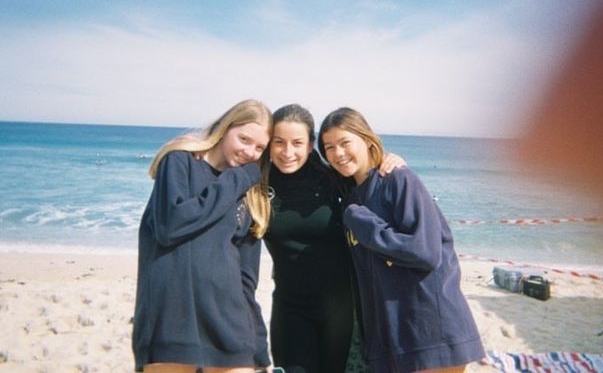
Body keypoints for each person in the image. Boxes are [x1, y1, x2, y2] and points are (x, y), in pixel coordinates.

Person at [318, 107, 485, 373]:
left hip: (429, 327)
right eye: (329, 147)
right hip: (390, 333)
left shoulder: (397, 179)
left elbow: (425, 252)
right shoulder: (351, 198)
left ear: (367, 139)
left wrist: (361, 221)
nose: (338, 153)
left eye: (345, 142)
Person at [132, 99, 274, 373]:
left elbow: (246, 280)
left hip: (230, 326)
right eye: (243, 139)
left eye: (259, 148)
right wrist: (237, 180)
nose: (250, 153)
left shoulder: (251, 195)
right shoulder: (180, 161)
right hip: (171, 321)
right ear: (225, 127)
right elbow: (171, 225)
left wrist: (258, 346)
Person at [264, 103, 403, 373]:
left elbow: (370, 181)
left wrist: (391, 160)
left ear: (310, 145)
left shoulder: (332, 179)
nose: (287, 152)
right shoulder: (258, 182)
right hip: (289, 307)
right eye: (279, 142)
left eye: (297, 143)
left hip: (339, 308)